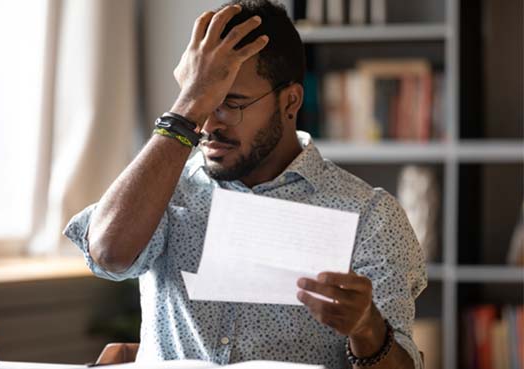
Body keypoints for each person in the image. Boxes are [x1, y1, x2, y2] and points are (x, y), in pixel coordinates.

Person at [63, 1, 427, 368]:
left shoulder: (370, 215)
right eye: (202, 103)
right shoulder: (165, 189)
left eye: (230, 103)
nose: (208, 125)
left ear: (290, 102)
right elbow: (108, 255)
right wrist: (188, 106)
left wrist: (367, 329)